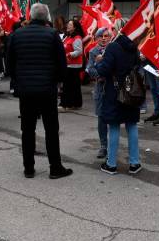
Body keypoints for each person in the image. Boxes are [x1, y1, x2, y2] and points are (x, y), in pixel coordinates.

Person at [8, 3, 73, 179]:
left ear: (31, 16)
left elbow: (10, 63)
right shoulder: (52, 35)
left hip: (26, 91)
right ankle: (55, 167)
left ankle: (28, 168)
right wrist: (58, 82)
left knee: (27, 129)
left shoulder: (17, 34)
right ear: (46, 18)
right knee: (51, 129)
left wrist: (18, 80)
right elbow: (61, 64)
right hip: (47, 90)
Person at [89, 21, 142, 175]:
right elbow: (138, 65)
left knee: (113, 126)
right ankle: (134, 163)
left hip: (115, 92)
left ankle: (111, 164)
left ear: (118, 29)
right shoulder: (134, 46)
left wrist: (99, 62)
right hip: (132, 91)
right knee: (132, 125)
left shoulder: (113, 47)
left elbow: (104, 70)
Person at [86, 28, 111, 159]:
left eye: (106, 36)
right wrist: (98, 74)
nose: (103, 38)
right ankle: (103, 146)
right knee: (101, 119)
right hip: (100, 89)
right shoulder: (93, 51)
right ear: (96, 38)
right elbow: (89, 68)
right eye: (100, 36)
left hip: (112, 88)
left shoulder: (113, 49)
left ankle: (112, 145)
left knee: (113, 118)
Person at [60, 19, 84, 110]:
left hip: (73, 66)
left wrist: (69, 54)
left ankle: (66, 104)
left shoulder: (77, 37)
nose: (68, 26)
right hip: (68, 64)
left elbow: (79, 51)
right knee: (72, 86)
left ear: (74, 27)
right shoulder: (68, 36)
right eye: (68, 24)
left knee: (69, 86)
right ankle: (74, 103)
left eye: (70, 25)